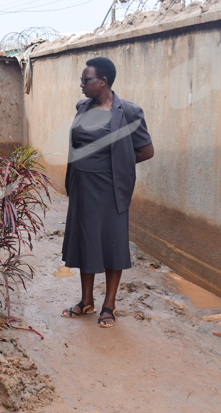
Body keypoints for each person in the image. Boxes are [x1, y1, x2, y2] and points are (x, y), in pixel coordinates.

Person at [60, 57, 155, 328]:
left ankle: (109, 305)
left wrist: (117, 162)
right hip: (82, 185)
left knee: (112, 243)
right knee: (85, 241)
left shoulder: (129, 112)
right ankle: (86, 301)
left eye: (86, 80)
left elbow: (146, 150)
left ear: (103, 81)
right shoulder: (83, 106)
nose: (81, 84)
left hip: (112, 187)